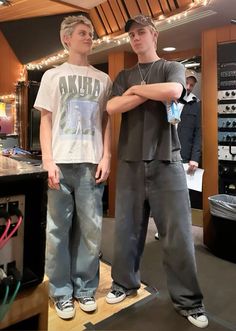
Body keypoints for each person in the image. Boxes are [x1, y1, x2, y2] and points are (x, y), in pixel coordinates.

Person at [105, 15, 208, 329]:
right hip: (131, 163)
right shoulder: (122, 74)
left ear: (153, 35)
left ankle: (189, 301)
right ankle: (124, 284)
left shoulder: (171, 67)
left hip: (168, 161)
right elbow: (112, 108)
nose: (135, 39)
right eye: (132, 35)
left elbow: (174, 91)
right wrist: (148, 92)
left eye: (140, 33)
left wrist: (135, 90)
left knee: (178, 234)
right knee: (126, 231)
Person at [34, 15, 112, 320]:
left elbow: (106, 122)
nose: (89, 37)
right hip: (61, 163)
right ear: (67, 39)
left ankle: (85, 288)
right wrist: (47, 160)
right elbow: (46, 120)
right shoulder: (52, 76)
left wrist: (106, 156)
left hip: (92, 162)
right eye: (83, 33)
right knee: (57, 230)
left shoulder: (103, 79)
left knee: (91, 230)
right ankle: (61, 292)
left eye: (91, 33)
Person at [155, 70, 201, 238]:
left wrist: (195, 158)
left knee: (180, 195)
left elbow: (199, 132)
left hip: (184, 155)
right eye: (186, 83)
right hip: (164, 151)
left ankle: (181, 231)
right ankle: (164, 229)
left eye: (192, 84)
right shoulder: (170, 99)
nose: (188, 87)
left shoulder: (196, 104)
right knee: (163, 192)